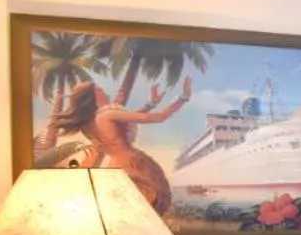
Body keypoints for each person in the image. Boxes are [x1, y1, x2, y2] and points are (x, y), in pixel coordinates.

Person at [34, 78, 192, 214]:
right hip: (135, 165)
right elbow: (159, 118)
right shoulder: (107, 115)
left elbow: (124, 122)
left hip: (115, 169)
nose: (104, 90)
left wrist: (151, 103)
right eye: (99, 89)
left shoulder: (89, 124)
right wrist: (183, 97)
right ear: (94, 97)